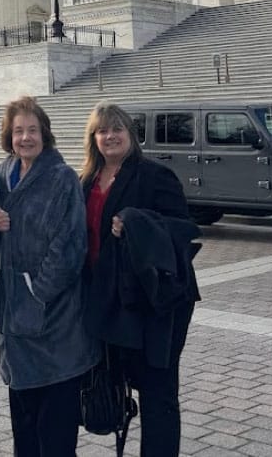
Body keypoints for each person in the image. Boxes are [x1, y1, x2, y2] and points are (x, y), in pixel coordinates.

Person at [79, 102, 201, 457]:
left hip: (155, 302)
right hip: (110, 299)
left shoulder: (153, 175)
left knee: (157, 392)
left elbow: (184, 230)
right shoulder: (86, 180)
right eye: (102, 130)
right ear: (93, 138)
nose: (110, 136)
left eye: (117, 129)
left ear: (131, 135)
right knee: (120, 384)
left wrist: (136, 221)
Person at [0, 97, 98, 457]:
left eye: (32, 130)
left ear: (44, 134)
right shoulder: (2, 174)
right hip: (13, 321)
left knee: (56, 427)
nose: (25, 138)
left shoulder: (61, 177)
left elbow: (70, 246)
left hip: (53, 318)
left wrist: (37, 293)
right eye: (18, 131)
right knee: (24, 424)